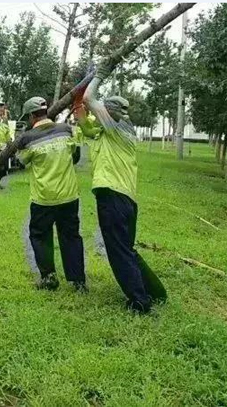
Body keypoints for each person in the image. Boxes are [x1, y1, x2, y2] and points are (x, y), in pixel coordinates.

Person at [78, 65, 163, 313]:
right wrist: (79, 112)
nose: (98, 113)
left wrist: (99, 74)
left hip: (113, 196)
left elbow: (89, 99)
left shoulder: (115, 126)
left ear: (110, 112)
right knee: (127, 248)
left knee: (118, 251)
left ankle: (139, 301)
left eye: (102, 111)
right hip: (126, 199)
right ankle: (154, 292)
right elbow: (87, 127)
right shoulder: (118, 132)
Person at [17, 97, 86, 292]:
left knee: (40, 236)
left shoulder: (27, 138)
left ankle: (48, 278)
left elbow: (21, 162)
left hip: (43, 198)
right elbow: (76, 156)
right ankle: (78, 281)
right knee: (71, 236)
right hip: (69, 196)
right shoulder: (66, 130)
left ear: (31, 116)